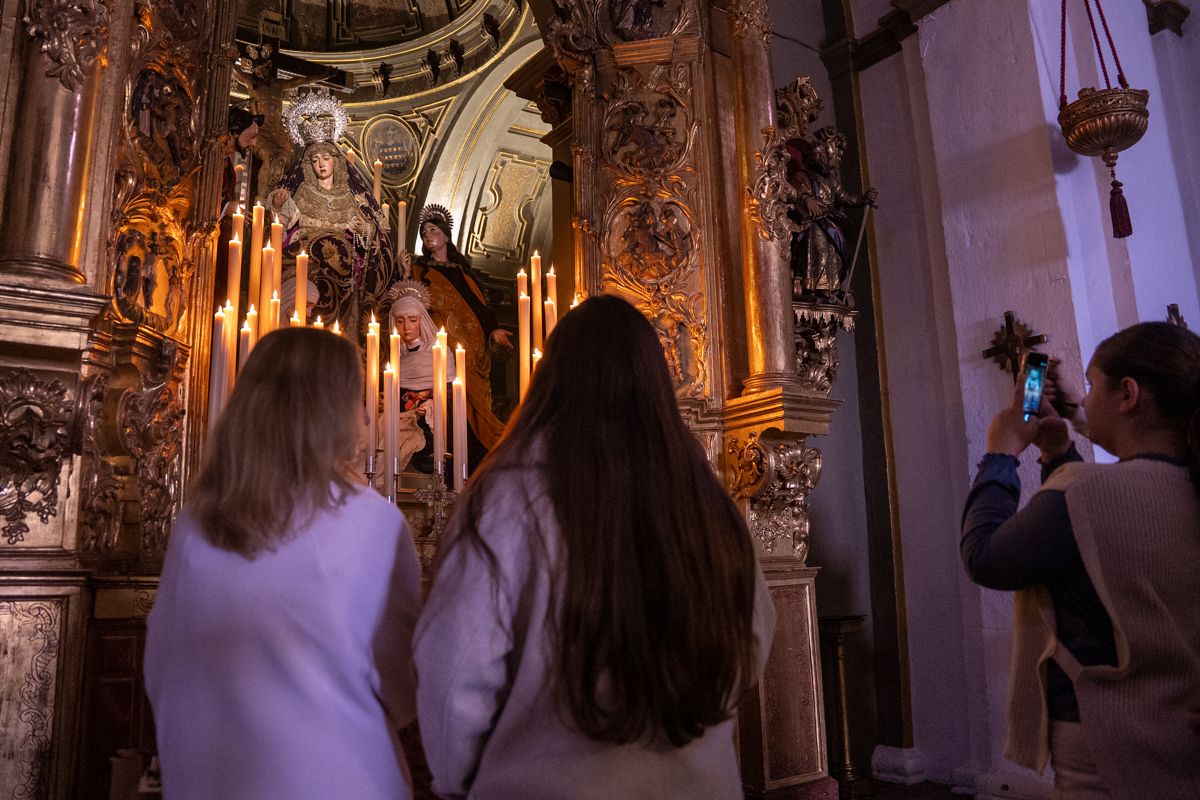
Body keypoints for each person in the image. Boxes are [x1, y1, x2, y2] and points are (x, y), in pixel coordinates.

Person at [413, 294, 776, 799]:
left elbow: (455, 666)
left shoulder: (507, 493)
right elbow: (752, 633)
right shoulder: (704, 495)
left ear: (552, 381)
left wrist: (462, 782)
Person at [144, 328, 422, 800]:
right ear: (336, 411)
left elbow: (161, 666)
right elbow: (405, 683)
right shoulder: (370, 520)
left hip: (206, 777)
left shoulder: (196, 522)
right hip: (340, 778)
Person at [961, 321, 1200, 799]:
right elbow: (1092, 529)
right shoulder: (1184, 483)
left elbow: (986, 557)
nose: (1085, 399)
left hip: (1109, 741)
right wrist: (1059, 450)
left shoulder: (1088, 491)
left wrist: (1002, 453)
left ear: (1127, 394)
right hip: (1179, 733)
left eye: (1093, 386)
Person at [406, 204, 510, 450]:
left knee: (477, 399)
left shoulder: (464, 273)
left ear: (445, 234)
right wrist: (404, 274)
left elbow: (478, 306)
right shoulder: (419, 271)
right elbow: (411, 302)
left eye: (432, 229)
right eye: (423, 233)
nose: (427, 236)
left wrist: (494, 329)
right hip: (441, 346)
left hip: (470, 347)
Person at [386, 281, 456, 474]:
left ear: (421, 320)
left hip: (433, 419)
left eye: (412, 320)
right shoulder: (395, 357)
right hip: (402, 418)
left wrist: (433, 403)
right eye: (400, 321)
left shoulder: (439, 350)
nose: (406, 327)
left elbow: (451, 391)